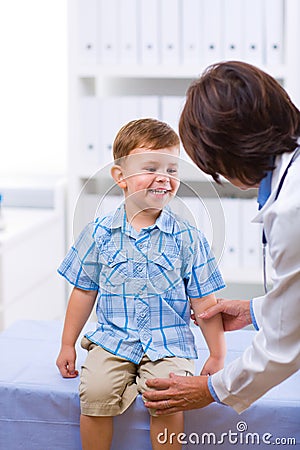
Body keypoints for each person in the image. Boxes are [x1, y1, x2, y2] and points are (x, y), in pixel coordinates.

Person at [56, 118, 226, 450]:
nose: (164, 177)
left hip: (168, 343)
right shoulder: (98, 233)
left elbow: (206, 301)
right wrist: (67, 344)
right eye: (151, 168)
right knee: (95, 392)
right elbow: (83, 291)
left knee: (167, 395)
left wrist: (218, 354)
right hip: (113, 340)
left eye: (172, 170)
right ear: (120, 177)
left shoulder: (189, 238)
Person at [143, 60, 300, 415]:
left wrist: (213, 388)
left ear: (227, 154)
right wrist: (255, 311)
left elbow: (284, 345)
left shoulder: (292, 209)